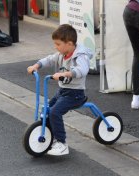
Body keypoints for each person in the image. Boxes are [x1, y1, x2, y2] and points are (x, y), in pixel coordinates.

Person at [27, 24, 93, 156]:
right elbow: (49, 59)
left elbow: (83, 70)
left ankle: (62, 144)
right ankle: (51, 138)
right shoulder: (61, 54)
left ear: (69, 44)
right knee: (45, 112)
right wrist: (36, 65)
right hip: (63, 92)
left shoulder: (80, 56)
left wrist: (65, 74)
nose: (55, 47)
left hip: (76, 94)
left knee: (54, 113)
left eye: (58, 44)